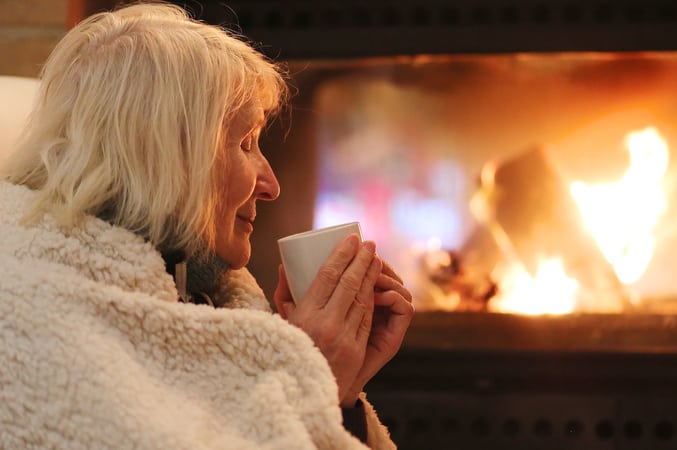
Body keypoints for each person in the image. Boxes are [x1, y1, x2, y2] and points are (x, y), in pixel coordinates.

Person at [0, 3, 413, 449]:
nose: (271, 185)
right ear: (162, 158)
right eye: (245, 143)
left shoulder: (205, 289)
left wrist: (333, 389)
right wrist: (312, 376)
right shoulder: (28, 319)